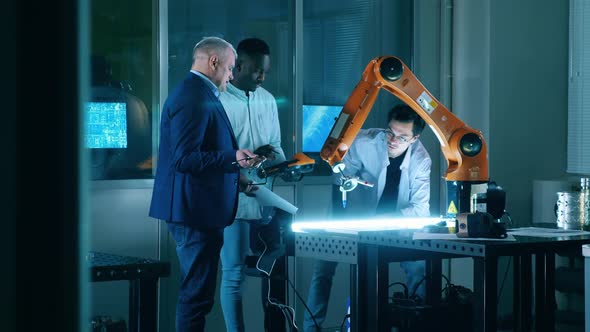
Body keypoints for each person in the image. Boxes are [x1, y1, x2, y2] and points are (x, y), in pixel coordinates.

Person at [149, 36, 262, 332]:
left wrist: (237, 176)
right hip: (194, 213)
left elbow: (198, 152)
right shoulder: (193, 95)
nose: (231, 75)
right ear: (214, 62)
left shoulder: (199, 93)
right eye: (229, 68)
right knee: (196, 297)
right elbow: (184, 159)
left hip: (197, 210)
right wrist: (233, 157)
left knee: (197, 295)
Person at [303, 104, 431, 332]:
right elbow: (340, 180)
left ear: (414, 139)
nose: (393, 140)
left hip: (395, 226)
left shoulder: (421, 160)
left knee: (418, 269)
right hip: (351, 219)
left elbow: (420, 209)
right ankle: (310, 327)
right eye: (390, 132)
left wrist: (387, 220)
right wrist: (341, 218)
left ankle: (415, 325)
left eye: (402, 137)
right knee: (323, 270)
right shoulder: (363, 142)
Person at [218, 37, 287, 332]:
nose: (261, 77)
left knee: (274, 272)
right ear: (239, 66)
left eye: (265, 72)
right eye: (257, 70)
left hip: (265, 198)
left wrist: (280, 161)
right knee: (233, 275)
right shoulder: (219, 101)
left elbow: (277, 148)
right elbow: (215, 156)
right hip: (231, 201)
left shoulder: (268, 100)